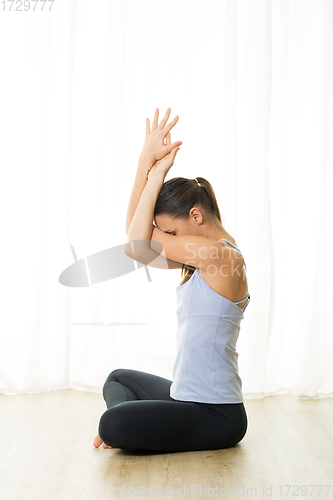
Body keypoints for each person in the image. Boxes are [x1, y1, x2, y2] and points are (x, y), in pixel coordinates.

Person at [93, 108, 249, 452]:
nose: (165, 240)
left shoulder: (220, 257)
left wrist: (157, 173)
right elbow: (137, 235)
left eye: (170, 233)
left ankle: (129, 428)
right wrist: (144, 165)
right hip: (185, 398)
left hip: (216, 414)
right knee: (117, 378)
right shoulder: (201, 258)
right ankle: (138, 427)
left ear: (195, 215)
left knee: (111, 422)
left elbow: (138, 245)